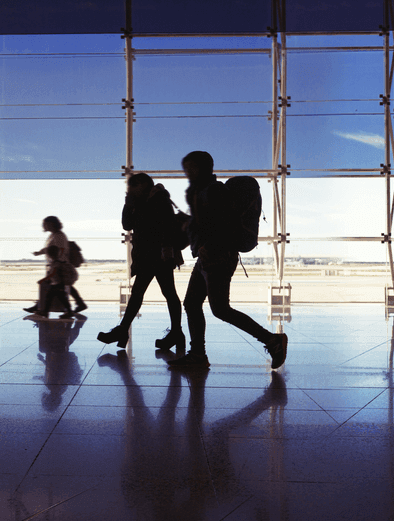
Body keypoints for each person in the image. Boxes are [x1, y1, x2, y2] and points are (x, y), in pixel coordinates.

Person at [168, 151, 287, 369]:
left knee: (220, 309)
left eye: (191, 168)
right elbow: (202, 225)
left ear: (203, 168)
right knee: (193, 304)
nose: (187, 172)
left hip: (218, 257)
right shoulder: (202, 191)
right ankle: (197, 355)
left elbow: (224, 225)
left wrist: (205, 243)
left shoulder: (215, 191)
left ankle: (272, 340)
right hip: (206, 257)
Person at [98, 172, 185, 350]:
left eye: (132, 186)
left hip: (158, 254)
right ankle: (176, 333)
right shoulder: (138, 202)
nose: (129, 189)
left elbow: (165, 225)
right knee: (164, 293)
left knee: (148, 293)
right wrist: (128, 203)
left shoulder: (159, 199)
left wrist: (166, 250)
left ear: (144, 184)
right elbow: (127, 225)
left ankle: (123, 331)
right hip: (148, 254)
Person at [25, 216, 86, 318]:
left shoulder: (58, 236)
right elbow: (50, 249)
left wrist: (55, 263)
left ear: (51, 224)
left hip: (58, 266)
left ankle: (43, 308)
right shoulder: (54, 235)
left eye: (45, 223)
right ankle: (79, 304)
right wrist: (39, 253)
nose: (43, 226)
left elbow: (58, 250)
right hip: (57, 265)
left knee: (54, 287)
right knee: (61, 288)